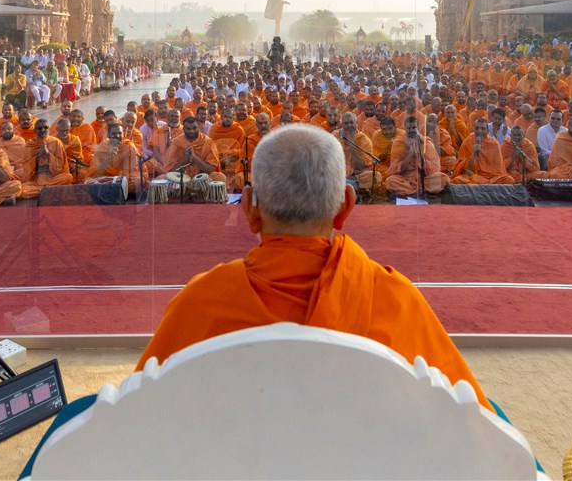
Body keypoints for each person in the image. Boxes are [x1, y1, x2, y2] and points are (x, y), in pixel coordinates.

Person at [135, 123, 493, 412]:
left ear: (249, 209)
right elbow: (475, 421)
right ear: (345, 208)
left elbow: (137, 415)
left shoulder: (201, 302)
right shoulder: (394, 299)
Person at [384, 116, 448, 196]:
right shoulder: (398, 143)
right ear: (405, 129)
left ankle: (411, 191)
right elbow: (396, 170)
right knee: (390, 181)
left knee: (443, 178)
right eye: (409, 128)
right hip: (405, 178)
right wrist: (410, 153)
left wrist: (418, 156)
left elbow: (434, 168)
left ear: (418, 128)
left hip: (423, 179)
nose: (411, 130)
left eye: (414, 127)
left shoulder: (426, 142)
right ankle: (420, 190)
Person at [450, 120, 513, 185]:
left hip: (491, 177)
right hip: (474, 175)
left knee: (509, 179)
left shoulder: (494, 144)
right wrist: (474, 155)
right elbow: (465, 169)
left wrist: (480, 179)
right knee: (457, 180)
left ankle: (484, 182)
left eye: (483, 128)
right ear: (474, 129)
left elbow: (498, 170)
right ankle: (486, 184)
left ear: (487, 131)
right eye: (477, 128)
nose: (479, 131)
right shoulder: (469, 140)